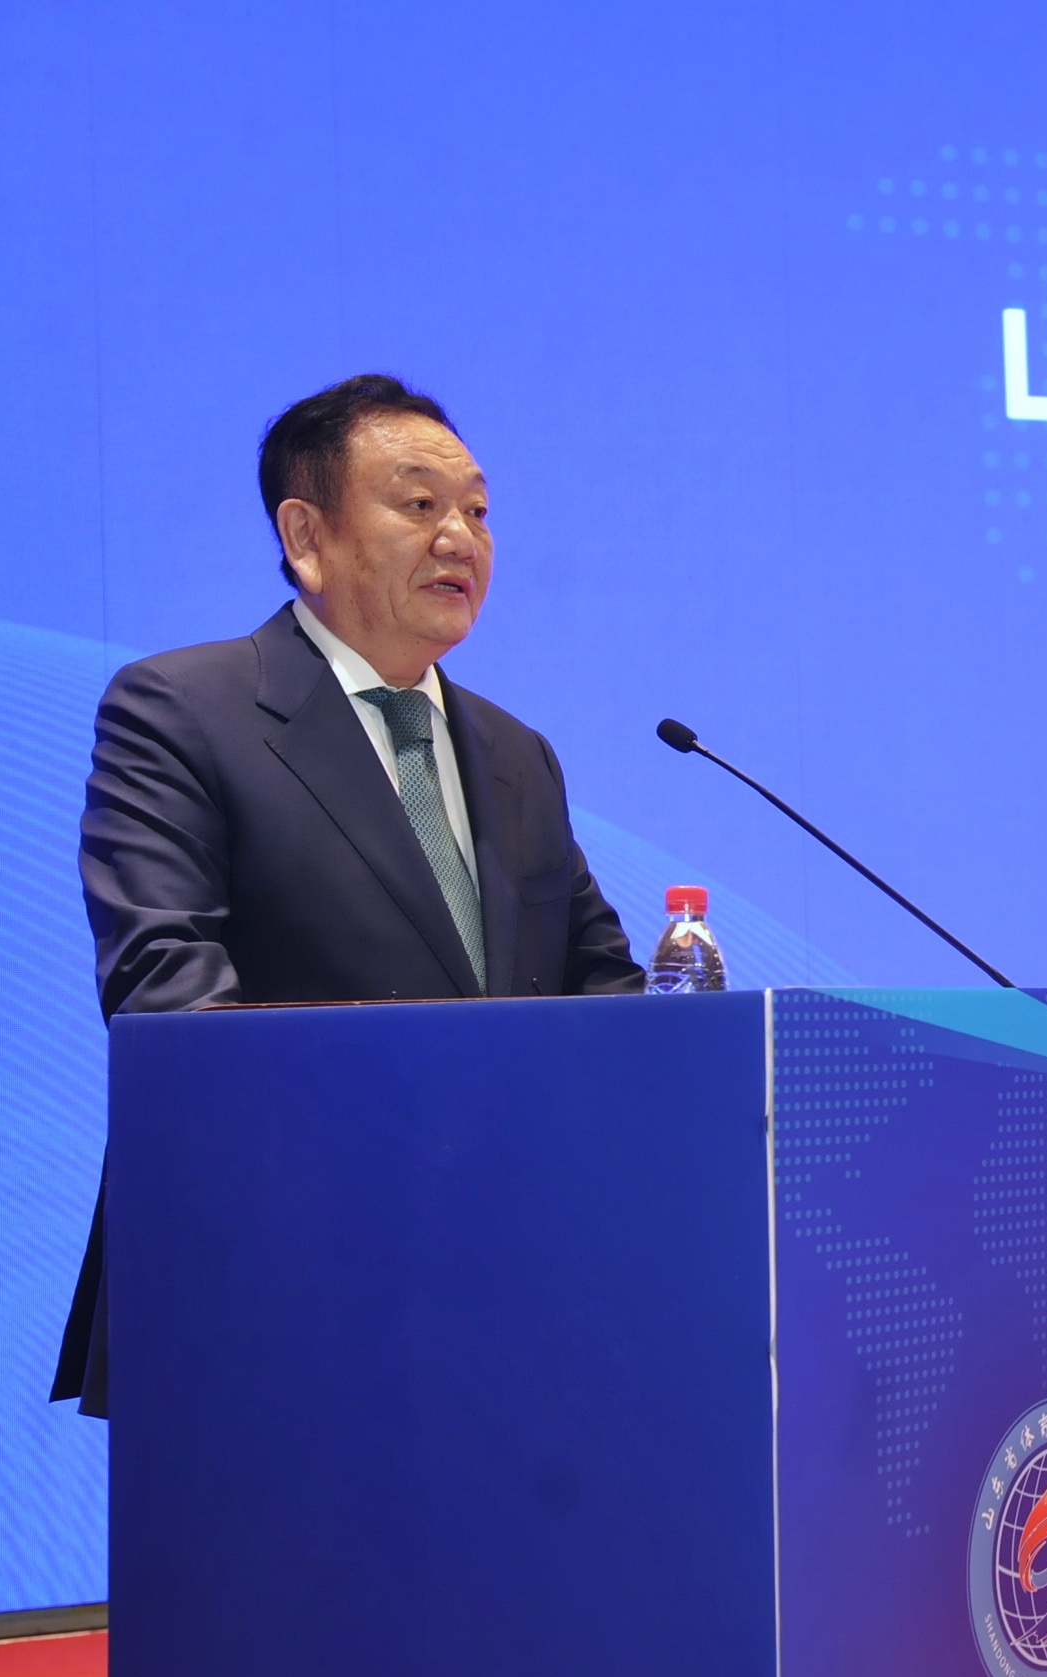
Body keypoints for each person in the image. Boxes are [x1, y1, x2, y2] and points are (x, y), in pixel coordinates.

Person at [51, 375, 643, 1416]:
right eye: (419, 504)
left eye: (478, 510)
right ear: (306, 536)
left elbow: (603, 991)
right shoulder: (181, 711)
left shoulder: (517, 753)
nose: (460, 536)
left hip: (508, 1294)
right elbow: (168, 995)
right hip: (269, 1289)